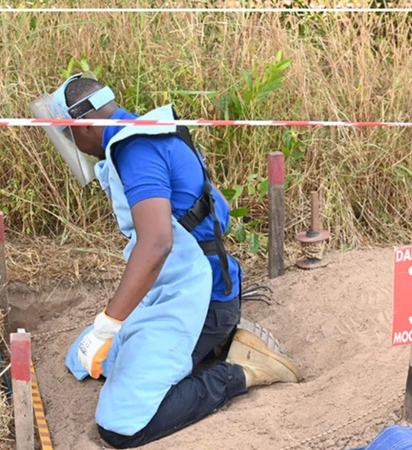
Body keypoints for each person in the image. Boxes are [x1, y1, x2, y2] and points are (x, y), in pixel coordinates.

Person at [48, 72, 303, 449]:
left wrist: (109, 322)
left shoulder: (135, 149)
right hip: (190, 290)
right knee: (90, 360)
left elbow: (156, 246)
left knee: (121, 425)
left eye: (69, 135)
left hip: (200, 301)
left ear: (84, 125)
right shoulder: (152, 130)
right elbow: (222, 209)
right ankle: (218, 344)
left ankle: (238, 372)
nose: (76, 147)